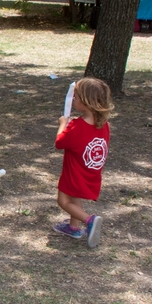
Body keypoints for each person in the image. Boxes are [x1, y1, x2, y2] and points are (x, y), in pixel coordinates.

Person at [53, 77, 113, 248]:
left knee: (64, 201)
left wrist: (63, 124)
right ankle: (73, 227)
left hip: (74, 171)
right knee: (75, 197)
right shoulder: (104, 124)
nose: (74, 100)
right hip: (89, 172)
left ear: (86, 102)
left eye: (77, 98)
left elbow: (60, 142)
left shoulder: (77, 126)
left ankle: (89, 220)